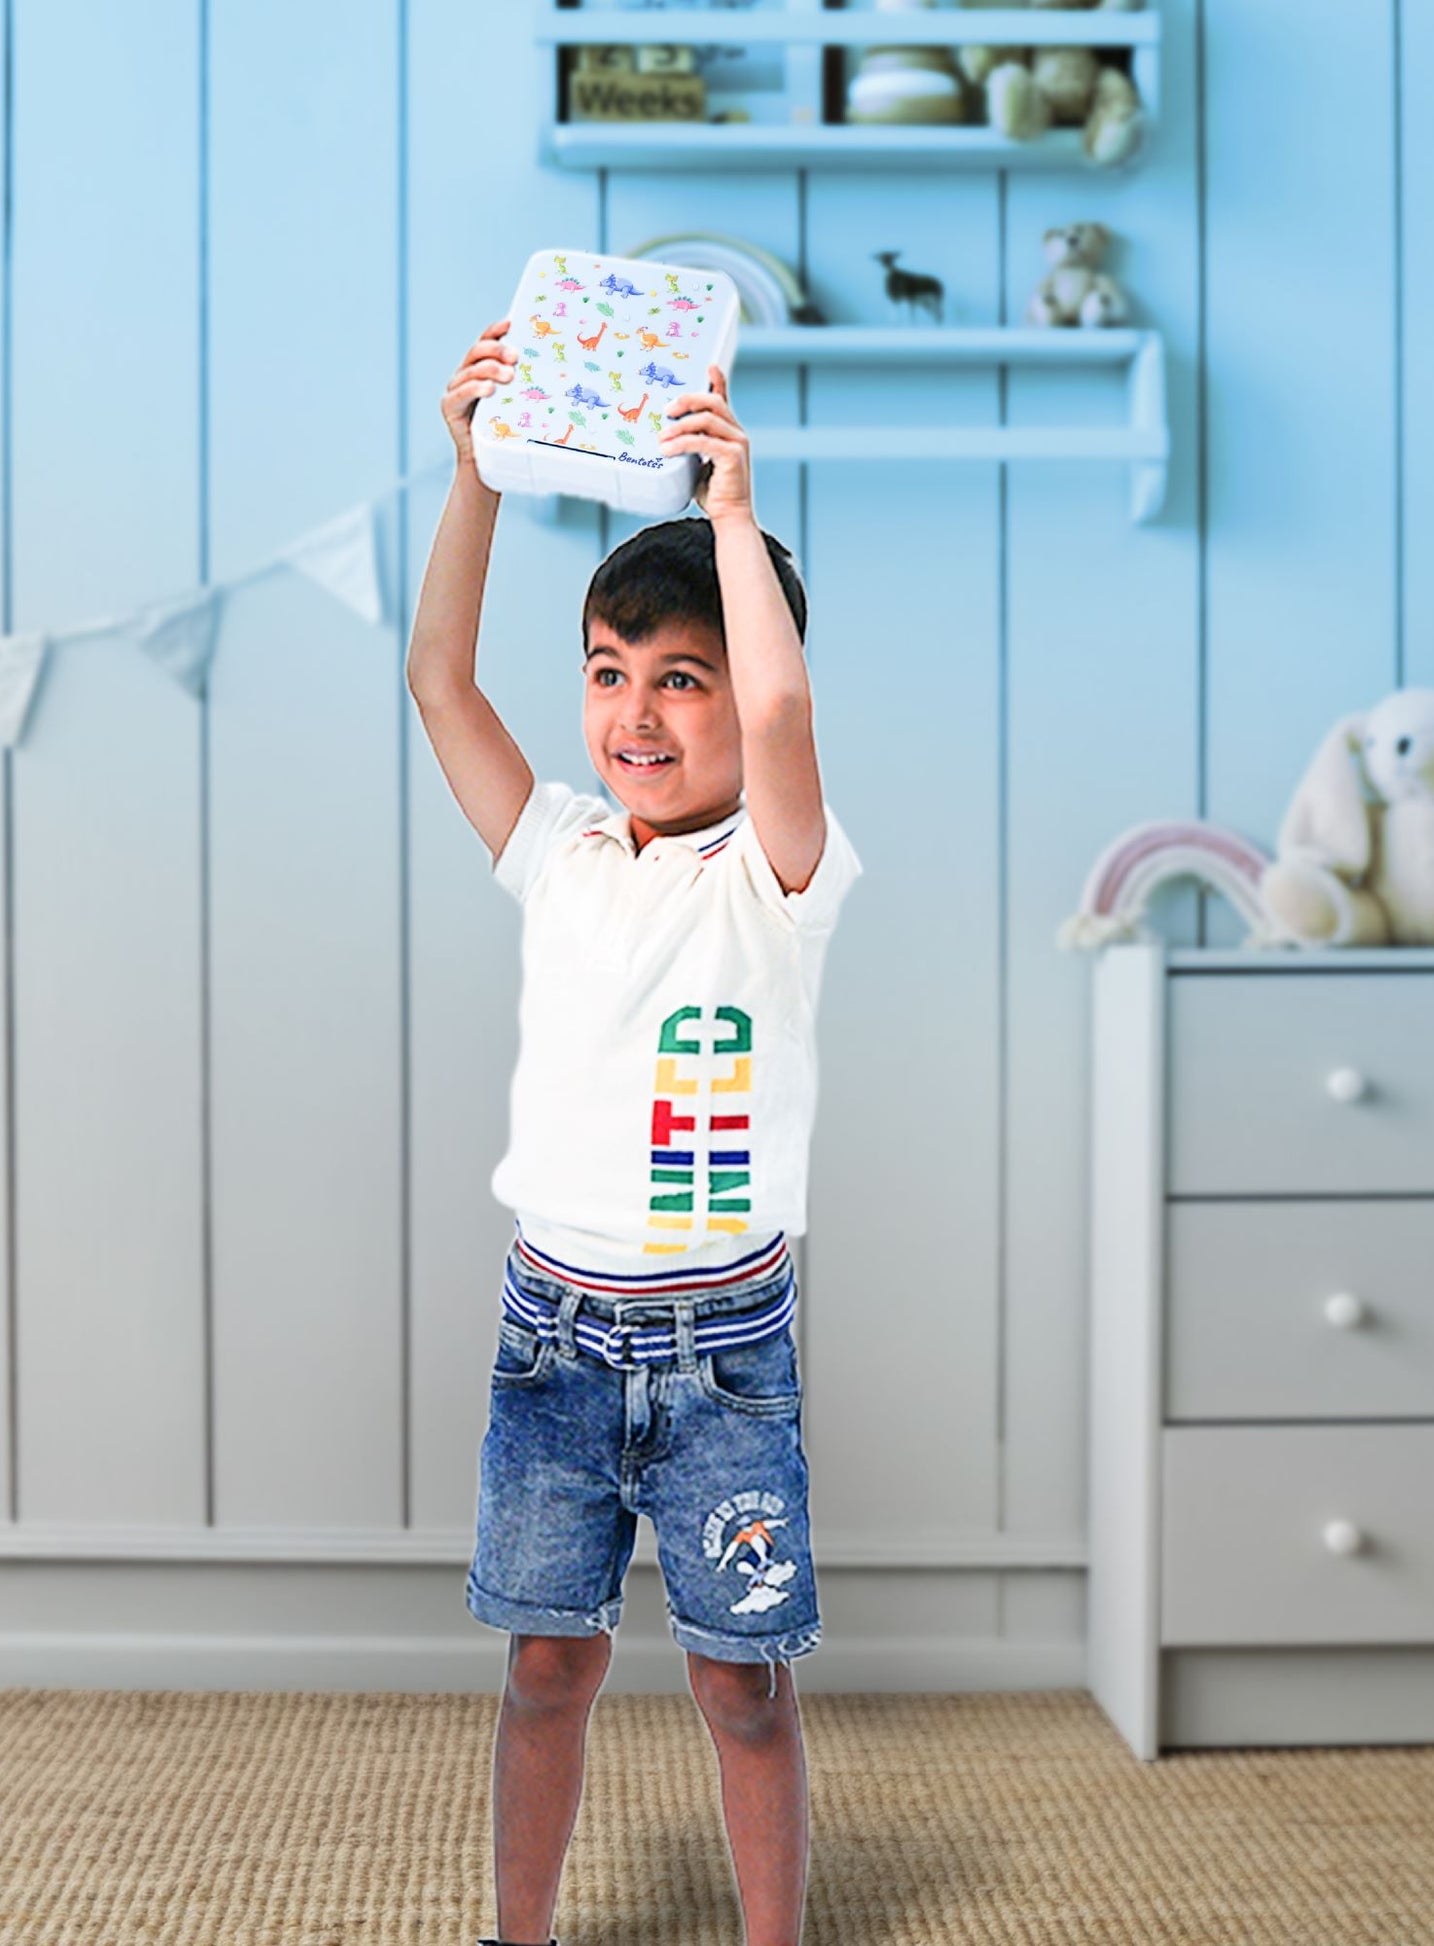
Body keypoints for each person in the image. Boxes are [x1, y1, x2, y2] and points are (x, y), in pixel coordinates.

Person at [407, 314, 863, 1946]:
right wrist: (473, 473)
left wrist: (733, 516)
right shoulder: (563, 852)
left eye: (684, 678)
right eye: (611, 675)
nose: (637, 713)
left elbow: (790, 722)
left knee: (741, 1683)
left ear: (744, 693)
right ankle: (513, 1931)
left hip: (725, 1349)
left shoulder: (779, 880)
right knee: (546, 1665)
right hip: (556, 1336)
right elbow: (437, 681)